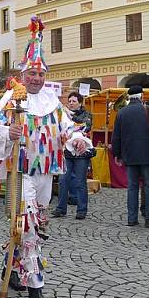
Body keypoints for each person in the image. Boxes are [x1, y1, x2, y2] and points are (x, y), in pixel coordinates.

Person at [0, 16, 91, 298]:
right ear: (23, 73)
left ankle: (13, 265)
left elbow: (67, 128)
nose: (36, 78)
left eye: (40, 74)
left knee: (31, 223)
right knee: (29, 224)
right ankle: (36, 284)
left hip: (45, 171)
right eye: (31, 73)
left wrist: (77, 140)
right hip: (20, 172)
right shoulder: (11, 99)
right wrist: (9, 131)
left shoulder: (53, 103)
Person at [111, 85, 149, 227]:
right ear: (142, 96)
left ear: (129, 97)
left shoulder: (122, 113)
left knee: (132, 187)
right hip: (148, 155)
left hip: (130, 156)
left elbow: (116, 136)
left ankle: (132, 219)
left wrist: (117, 154)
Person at [54, 91, 94, 219]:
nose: (71, 103)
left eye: (74, 101)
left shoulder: (87, 115)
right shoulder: (64, 115)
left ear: (80, 103)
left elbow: (83, 126)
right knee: (63, 180)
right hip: (67, 151)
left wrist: (70, 116)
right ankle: (61, 208)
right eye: (69, 101)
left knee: (80, 181)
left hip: (81, 153)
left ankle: (81, 210)